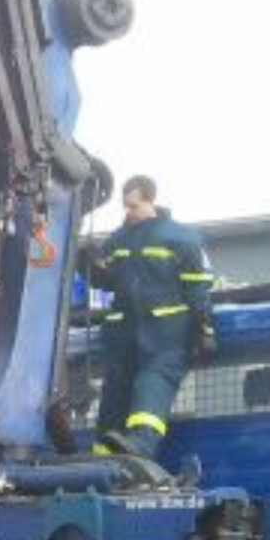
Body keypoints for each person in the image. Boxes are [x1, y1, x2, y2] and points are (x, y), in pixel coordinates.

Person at [85, 175, 216, 459]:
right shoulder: (117, 240)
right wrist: (88, 263)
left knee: (152, 385)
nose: (127, 212)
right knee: (114, 394)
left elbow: (198, 286)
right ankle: (102, 456)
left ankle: (141, 446)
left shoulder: (181, 237)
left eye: (133, 206)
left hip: (166, 334)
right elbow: (105, 280)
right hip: (123, 334)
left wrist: (204, 328)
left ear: (150, 200)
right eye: (125, 206)